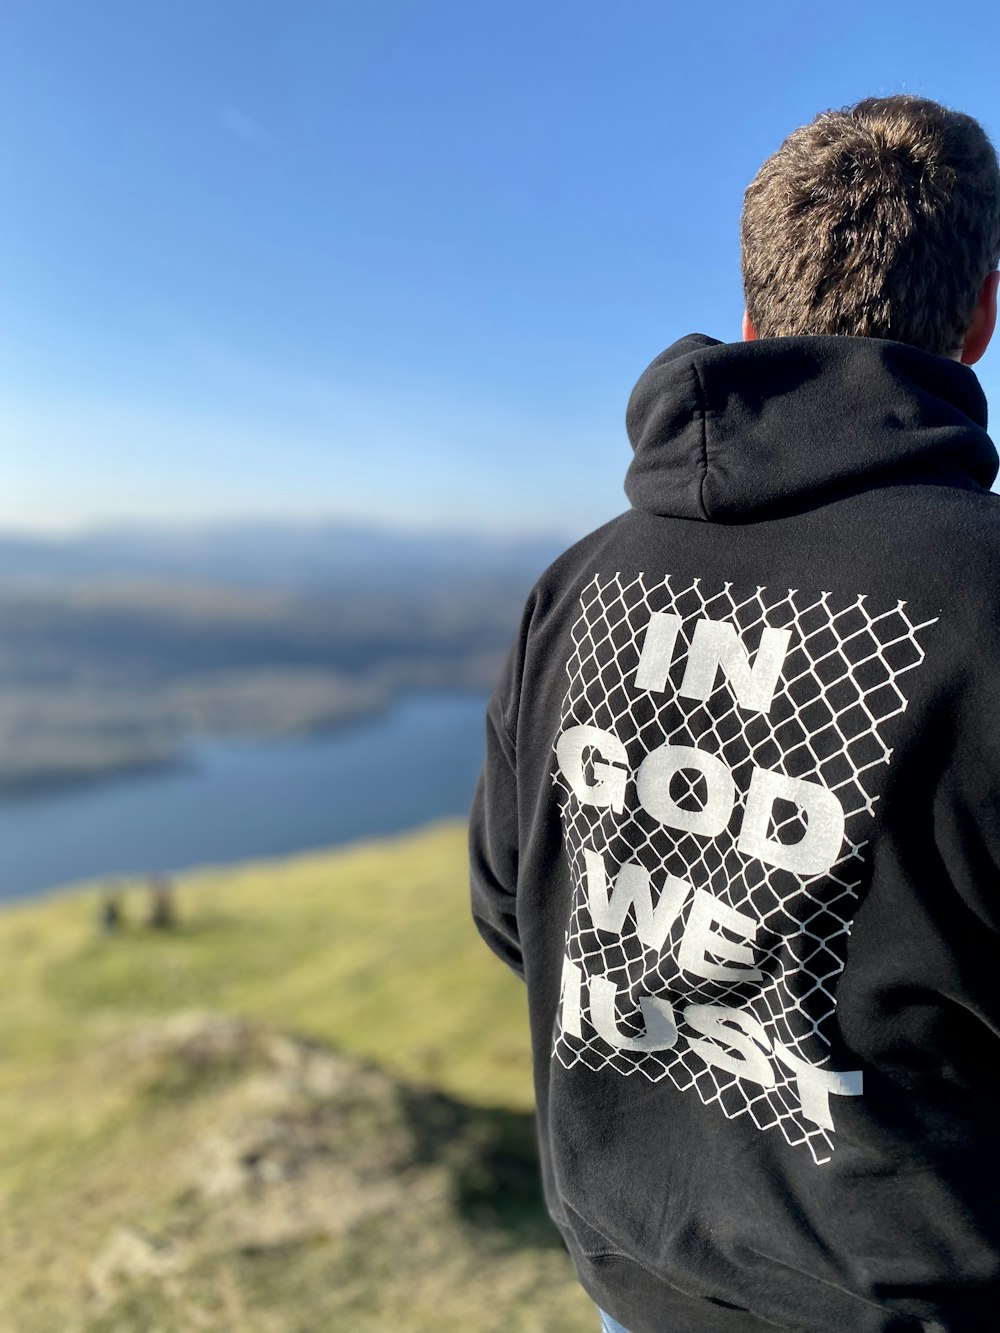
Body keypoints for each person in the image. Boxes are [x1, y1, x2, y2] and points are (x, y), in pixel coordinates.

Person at [469, 94, 1000, 1332]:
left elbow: (515, 911)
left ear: (753, 310)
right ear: (979, 314)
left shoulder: (578, 583)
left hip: (636, 1288)